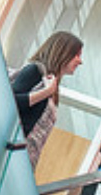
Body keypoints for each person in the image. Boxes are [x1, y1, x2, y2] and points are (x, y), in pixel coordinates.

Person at [11, 31, 83, 169]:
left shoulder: (51, 83)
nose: (80, 61)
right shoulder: (35, 71)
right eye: (77, 55)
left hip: (22, 158)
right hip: (13, 152)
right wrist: (46, 92)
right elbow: (11, 102)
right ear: (63, 52)